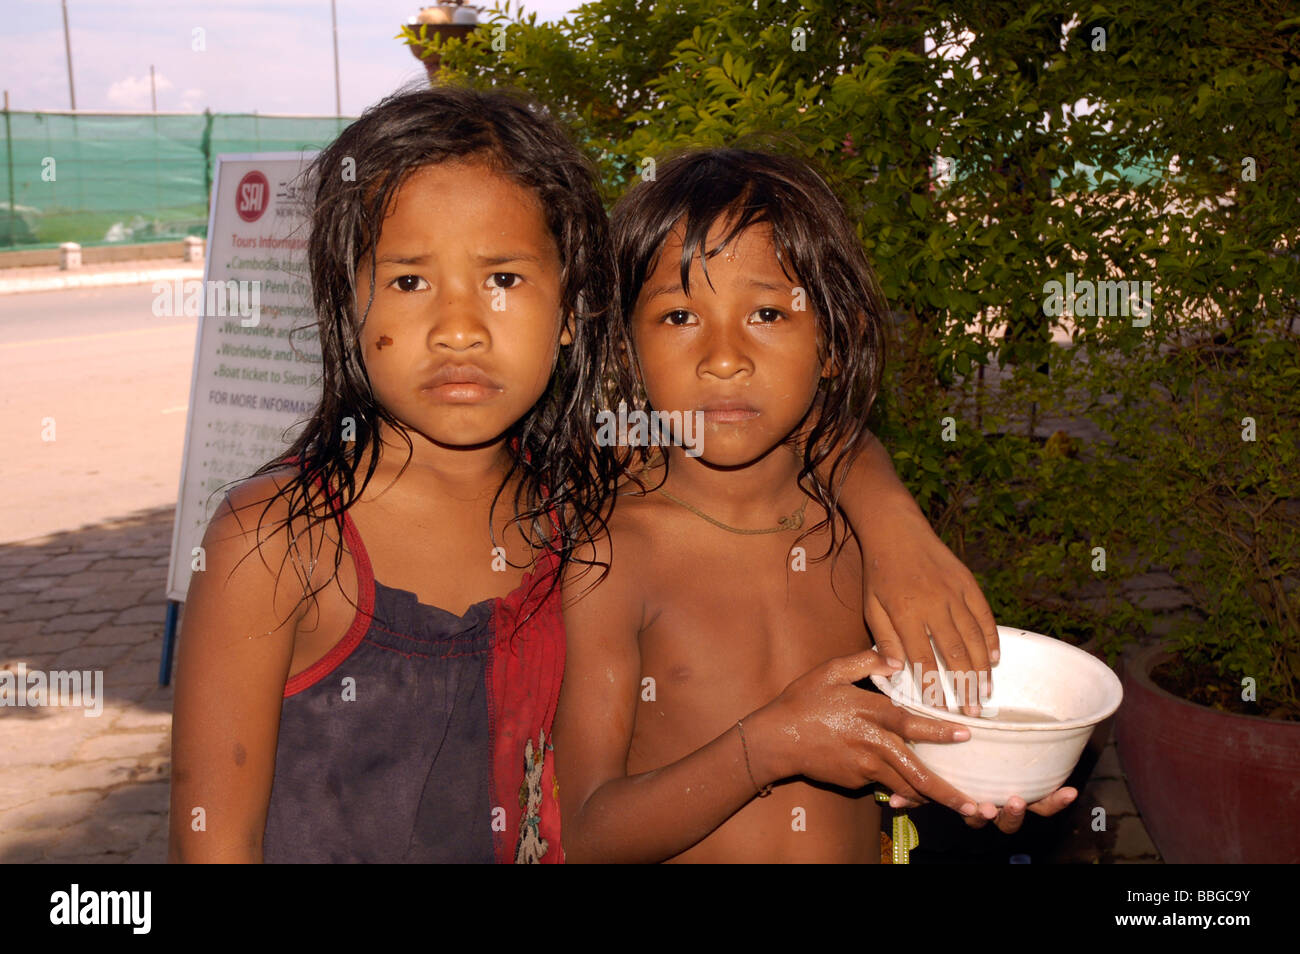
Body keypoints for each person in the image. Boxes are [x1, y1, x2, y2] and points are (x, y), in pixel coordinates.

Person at [555, 148, 1076, 864]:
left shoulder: (865, 535)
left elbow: (900, 727)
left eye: (767, 312)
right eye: (679, 316)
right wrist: (767, 748)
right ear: (625, 350)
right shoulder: (614, 554)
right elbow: (585, 833)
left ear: (834, 339)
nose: (725, 356)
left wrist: (983, 769)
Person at [167, 83, 619, 863]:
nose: (458, 330)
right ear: (350, 304)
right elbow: (213, 843)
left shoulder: (589, 519)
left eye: (504, 280)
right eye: (409, 281)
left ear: (572, 308)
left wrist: (884, 512)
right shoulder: (274, 544)